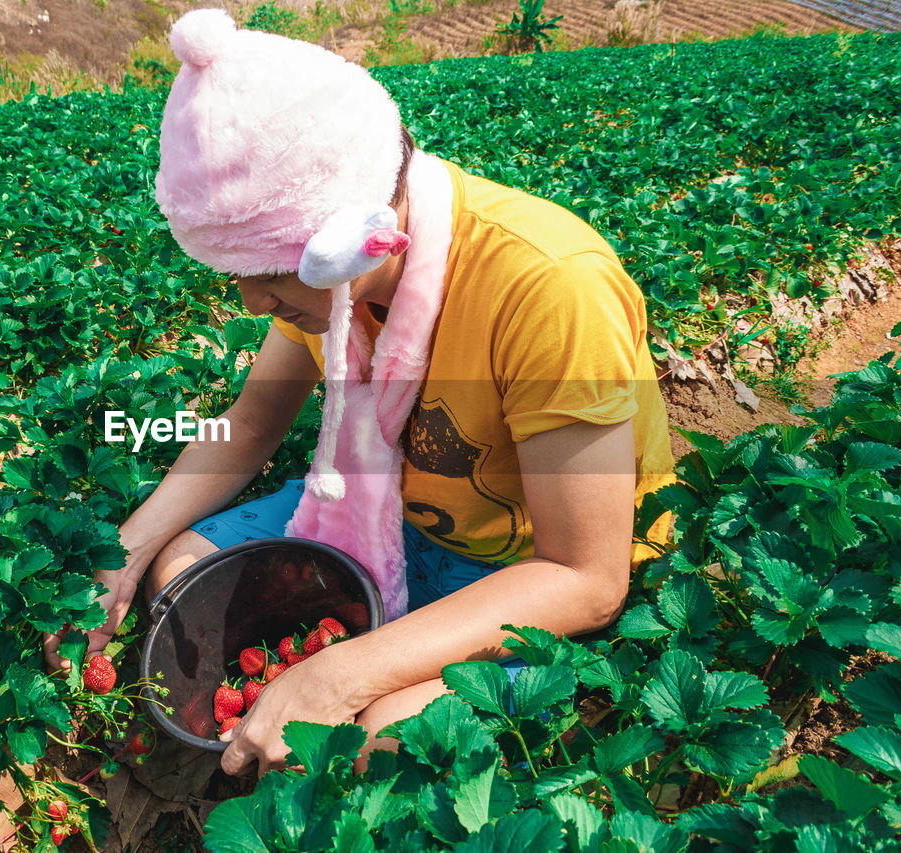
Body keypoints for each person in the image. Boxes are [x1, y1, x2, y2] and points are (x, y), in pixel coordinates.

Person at [45, 8, 674, 777]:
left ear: (360, 230)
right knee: (183, 575)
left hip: (524, 567)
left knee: (371, 733)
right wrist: (126, 553)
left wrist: (343, 674)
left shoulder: (548, 286)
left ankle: (554, 716)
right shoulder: (335, 294)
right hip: (399, 519)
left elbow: (586, 578)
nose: (249, 301)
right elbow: (247, 426)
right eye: (238, 272)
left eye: (272, 272)